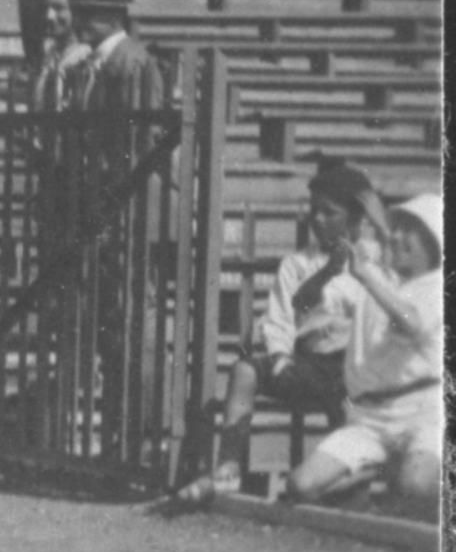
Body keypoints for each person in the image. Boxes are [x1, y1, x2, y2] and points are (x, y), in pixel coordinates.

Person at [181, 160, 373, 500]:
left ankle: (350, 487)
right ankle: (228, 468)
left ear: (355, 218)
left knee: (349, 402)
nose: (317, 219)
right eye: (314, 211)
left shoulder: (374, 263)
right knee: (244, 370)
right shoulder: (297, 264)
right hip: (310, 363)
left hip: (355, 369)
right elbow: (282, 317)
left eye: (329, 213)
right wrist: (281, 356)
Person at [284, 192, 441, 509]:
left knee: (417, 487)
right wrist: (331, 270)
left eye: (409, 231)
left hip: (425, 415)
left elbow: (410, 322)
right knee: (301, 485)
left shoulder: (439, 286)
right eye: (395, 229)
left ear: (433, 242)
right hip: (368, 418)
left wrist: (365, 276)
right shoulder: (370, 278)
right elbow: (303, 301)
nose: (395, 237)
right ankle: (369, 479)